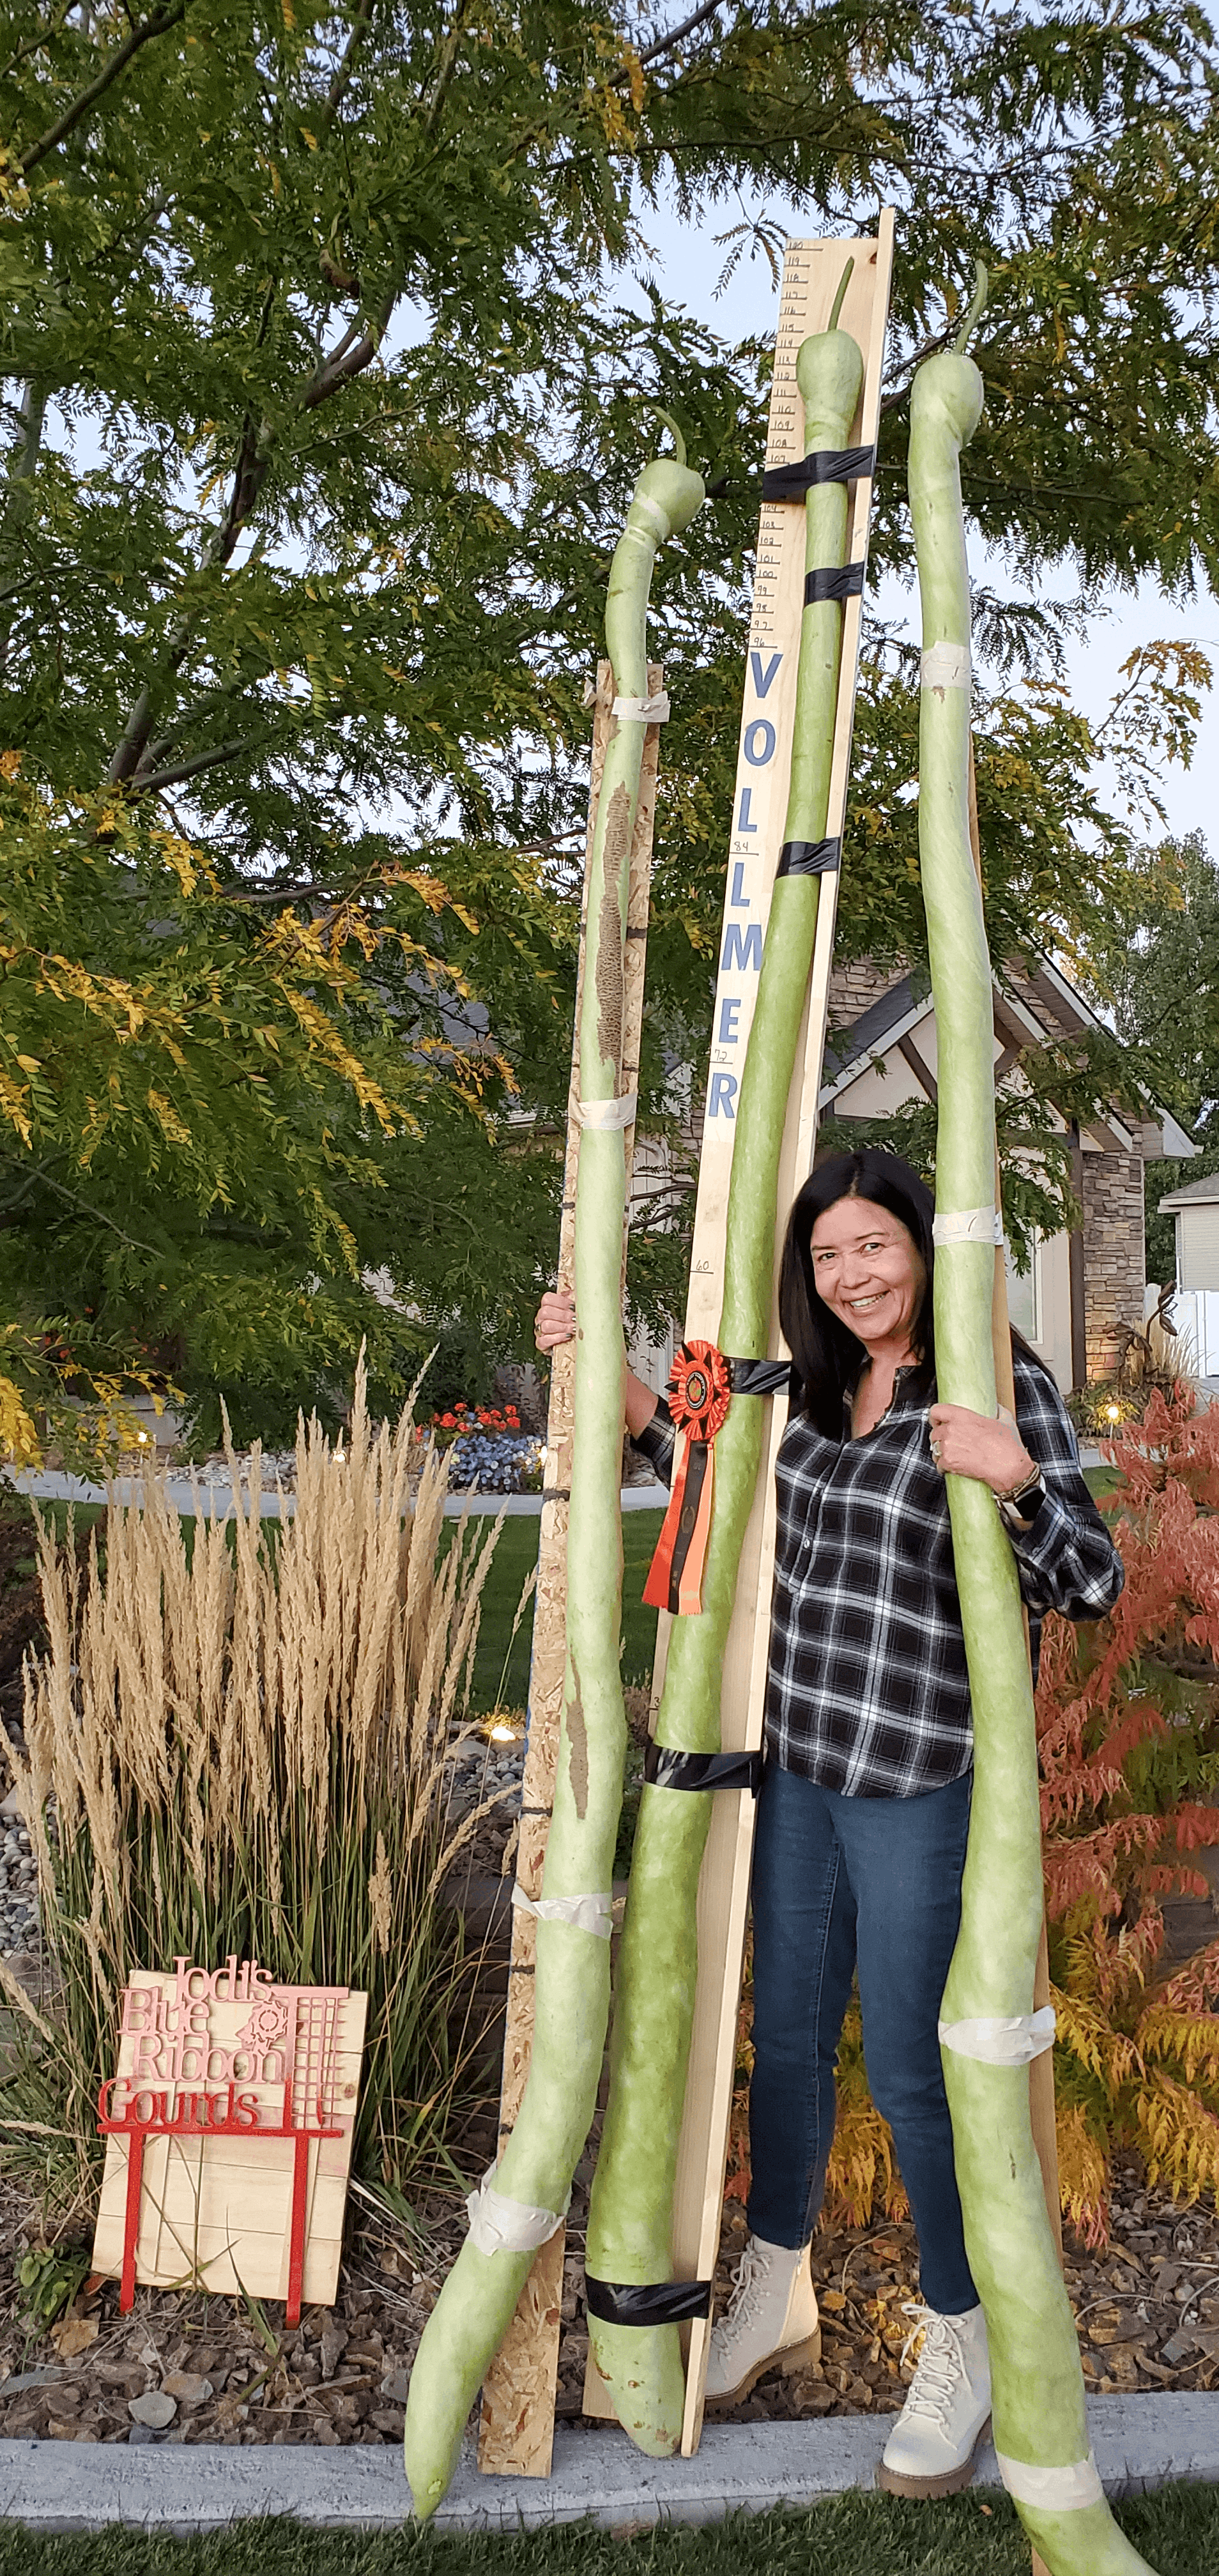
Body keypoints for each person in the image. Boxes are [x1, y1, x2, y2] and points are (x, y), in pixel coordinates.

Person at [535, 1147, 1123, 2499]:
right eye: (828, 1256)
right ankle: (779, 2282)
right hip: (799, 1766)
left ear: (924, 1244)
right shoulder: (804, 1387)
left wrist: (1014, 1475)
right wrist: (580, 1351)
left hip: (923, 1780)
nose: (854, 1276)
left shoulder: (990, 1376)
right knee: (786, 2039)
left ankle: (961, 2334)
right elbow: (676, 1456)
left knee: (918, 2069)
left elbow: (1089, 1579)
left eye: (875, 1246)